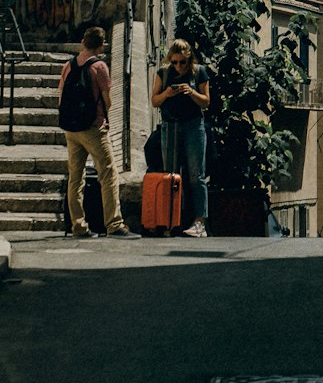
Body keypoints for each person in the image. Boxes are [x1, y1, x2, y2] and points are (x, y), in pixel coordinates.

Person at [59, 26, 139, 239]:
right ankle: (114, 224)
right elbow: (108, 99)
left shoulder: (69, 65)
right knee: (108, 173)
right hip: (93, 128)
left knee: (75, 178)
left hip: (71, 129)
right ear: (101, 45)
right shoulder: (99, 66)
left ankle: (78, 226)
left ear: (83, 42)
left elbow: (60, 97)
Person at [151, 38, 210, 238]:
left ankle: (200, 222)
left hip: (194, 126)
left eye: (182, 62)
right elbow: (155, 101)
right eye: (174, 62)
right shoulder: (164, 73)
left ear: (189, 59)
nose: (178, 66)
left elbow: (206, 102)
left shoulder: (199, 72)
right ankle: (170, 220)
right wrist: (167, 93)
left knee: (196, 175)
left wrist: (191, 92)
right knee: (171, 175)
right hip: (171, 126)